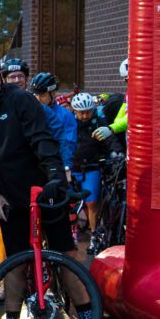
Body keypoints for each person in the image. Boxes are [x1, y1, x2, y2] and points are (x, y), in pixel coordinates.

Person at [0, 51, 101, 319]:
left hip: (43, 188)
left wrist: (54, 175)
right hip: (10, 197)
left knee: (66, 254)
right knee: (15, 259)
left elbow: (42, 139)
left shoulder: (20, 100)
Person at [69, 92, 122, 252]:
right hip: (71, 169)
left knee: (92, 203)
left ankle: (94, 235)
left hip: (91, 168)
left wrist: (117, 152)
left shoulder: (97, 123)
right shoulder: (70, 124)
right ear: (75, 111)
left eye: (88, 111)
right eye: (81, 112)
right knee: (69, 204)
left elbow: (110, 140)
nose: (85, 115)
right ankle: (72, 233)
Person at [30, 72, 77, 177]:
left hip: (58, 166)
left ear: (53, 93)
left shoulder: (65, 115)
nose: (38, 99)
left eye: (42, 95)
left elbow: (69, 144)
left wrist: (66, 168)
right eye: (35, 95)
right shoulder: (30, 111)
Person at [94, 58, 128, 145]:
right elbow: (120, 116)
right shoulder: (130, 93)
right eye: (124, 79)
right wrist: (115, 126)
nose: (125, 82)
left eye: (127, 79)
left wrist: (111, 128)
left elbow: (134, 117)